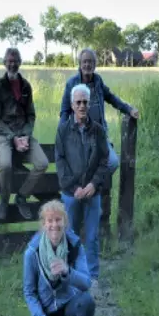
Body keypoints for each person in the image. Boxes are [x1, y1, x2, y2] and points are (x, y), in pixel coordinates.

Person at [22, 200, 96, 316]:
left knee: (86, 301)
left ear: (65, 222)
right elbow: (29, 292)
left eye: (58, 220)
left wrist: (67, 271)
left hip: (68, 305)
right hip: (46, 311)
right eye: (49, 221)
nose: (54, 225)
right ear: (43, 224)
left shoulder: (75, 246)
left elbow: (86, 283)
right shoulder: (32, 252)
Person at [55, 84, 109, 290]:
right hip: (71, 194)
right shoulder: (63, 130)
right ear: (71, 105)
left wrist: (94, 184)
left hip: (92, 193)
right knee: (70, 235)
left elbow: (104, 160)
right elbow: (60, 161)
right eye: (78, 102)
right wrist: (74, 187)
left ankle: (93, 276)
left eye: (85, 102)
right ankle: (70, 273)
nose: (82, 106)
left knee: (93, 236)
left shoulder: (98, 130)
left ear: (90, 103)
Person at [0, 48, 49, 220]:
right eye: (9, 60)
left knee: (42, 163)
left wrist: (25, 135)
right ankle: (4, 200)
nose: (12, 64)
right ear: (4, 63)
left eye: (15, 60)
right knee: (6, 165)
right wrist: (12, 137)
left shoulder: (26, 86)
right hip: (4, 135)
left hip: (23, 135)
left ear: (20, 62)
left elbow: (31, 115)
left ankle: (22, 196)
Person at [59, 48, 140, 175]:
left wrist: (128, 109)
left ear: (95, 65)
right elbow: (64, 111)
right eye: (85, 61)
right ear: (80, 64)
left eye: (90, 62)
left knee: (113, 162)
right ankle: (90, 191)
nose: (87, 65)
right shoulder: (72, 83)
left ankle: (94, 187)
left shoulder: (98, 81)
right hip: (79, 135)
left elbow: (111, 98)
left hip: (98, 134)